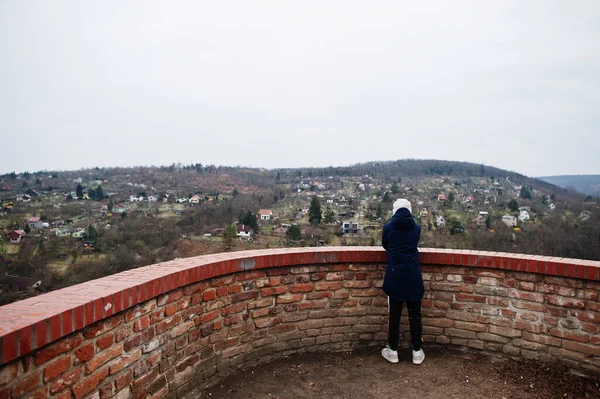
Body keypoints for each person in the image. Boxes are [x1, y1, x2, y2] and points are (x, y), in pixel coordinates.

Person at [381, 198, 425, 365]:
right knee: (415, 315)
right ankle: (417, 352)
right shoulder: (416, 228)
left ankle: (392, 351)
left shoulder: (388, 228)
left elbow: (385, 245)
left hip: (395, 275)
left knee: (395, 315)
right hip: (413, 275)